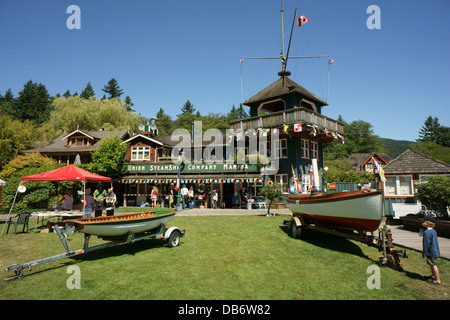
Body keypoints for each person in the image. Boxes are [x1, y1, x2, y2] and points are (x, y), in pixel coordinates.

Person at [422, 216, 441, 285]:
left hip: (431, 252)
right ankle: (433, 276)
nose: (422, 222)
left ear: (427, 223)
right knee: (431, 263)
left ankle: (437, 280)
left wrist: (424, 253)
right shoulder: (433, 231)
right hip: (435, 250)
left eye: (424, 221)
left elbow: (426, 244)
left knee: (433, 265)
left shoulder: (426, 232)